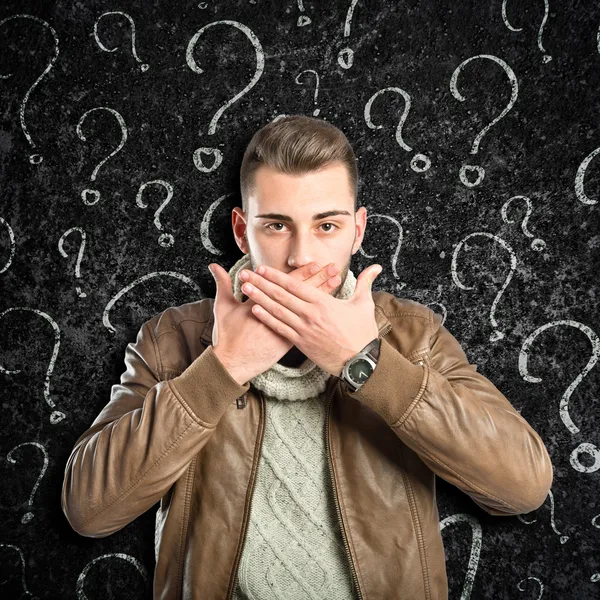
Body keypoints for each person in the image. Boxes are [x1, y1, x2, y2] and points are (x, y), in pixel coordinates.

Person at [61, 114, 554, 600]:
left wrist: (367, 362)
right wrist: (222, 368)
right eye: (276, 225)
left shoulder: (411, 335)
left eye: (327, 226)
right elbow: (88, 510)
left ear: (357, 231)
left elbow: (522, 487)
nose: (300, 255)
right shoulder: (173, 339)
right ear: (241, 230)